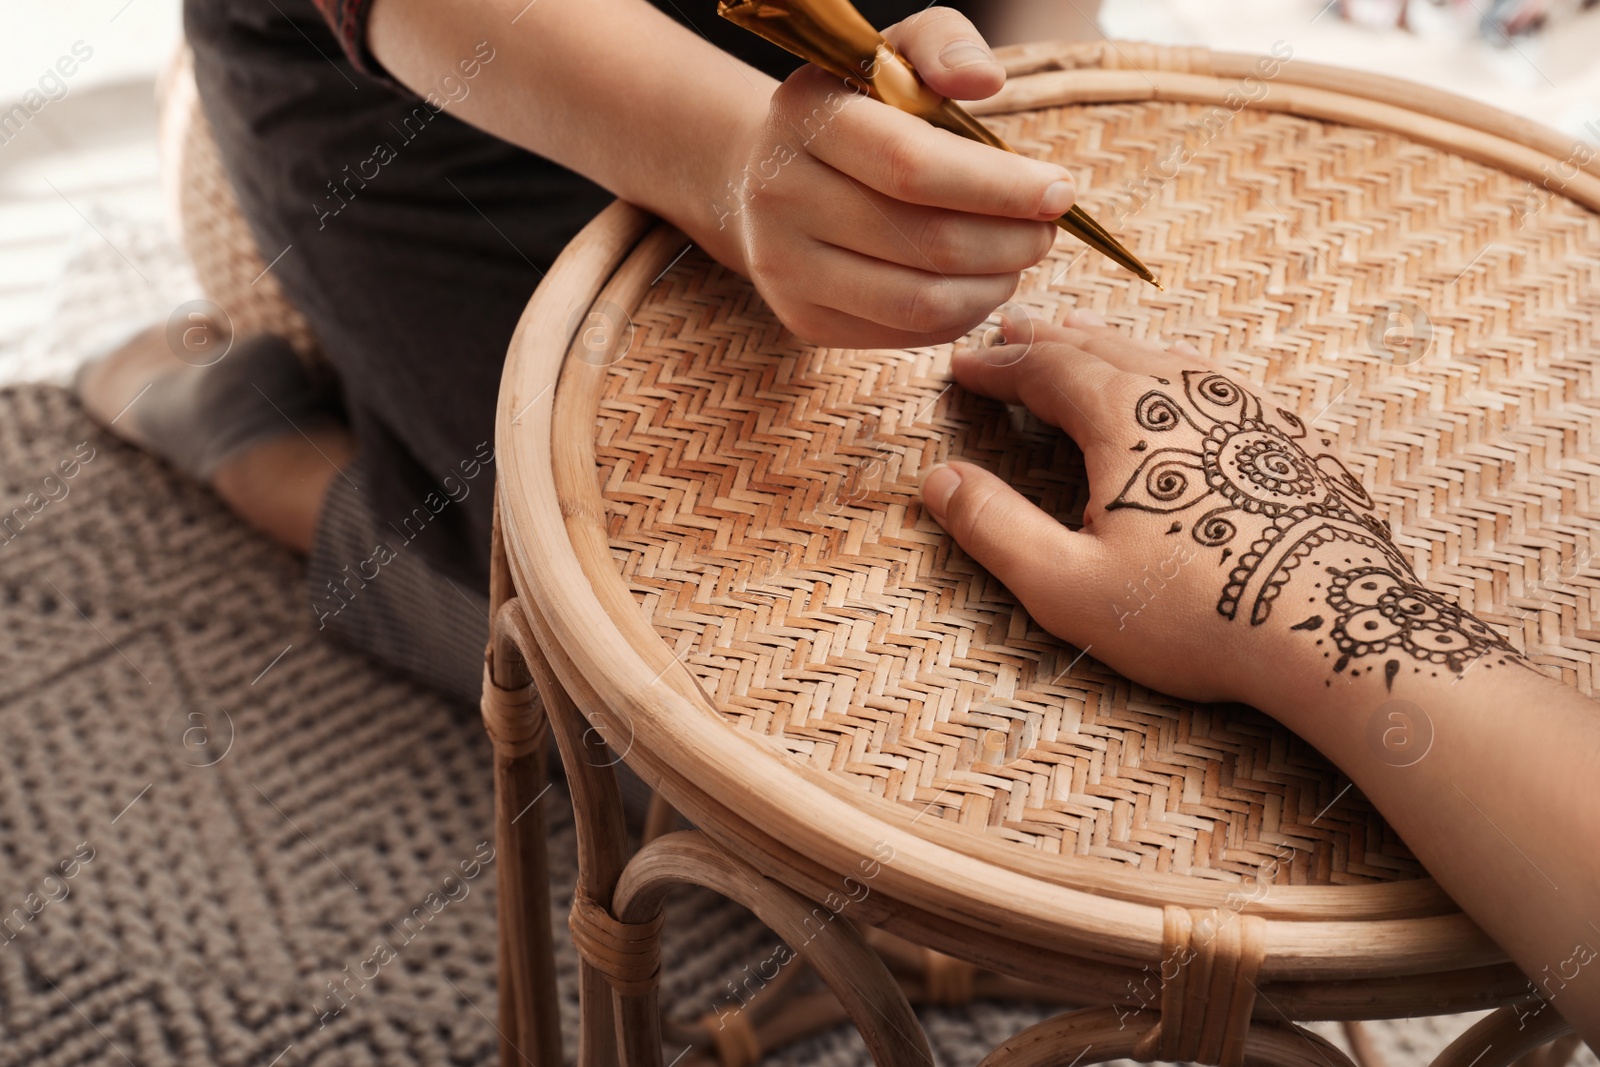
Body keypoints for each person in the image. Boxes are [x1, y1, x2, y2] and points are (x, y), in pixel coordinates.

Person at [74, 0, 1598, 1046]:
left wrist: (1049, 107)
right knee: (580, 626)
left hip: (859, 57)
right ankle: (265, 446)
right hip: (443, 82)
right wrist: (726, 164)